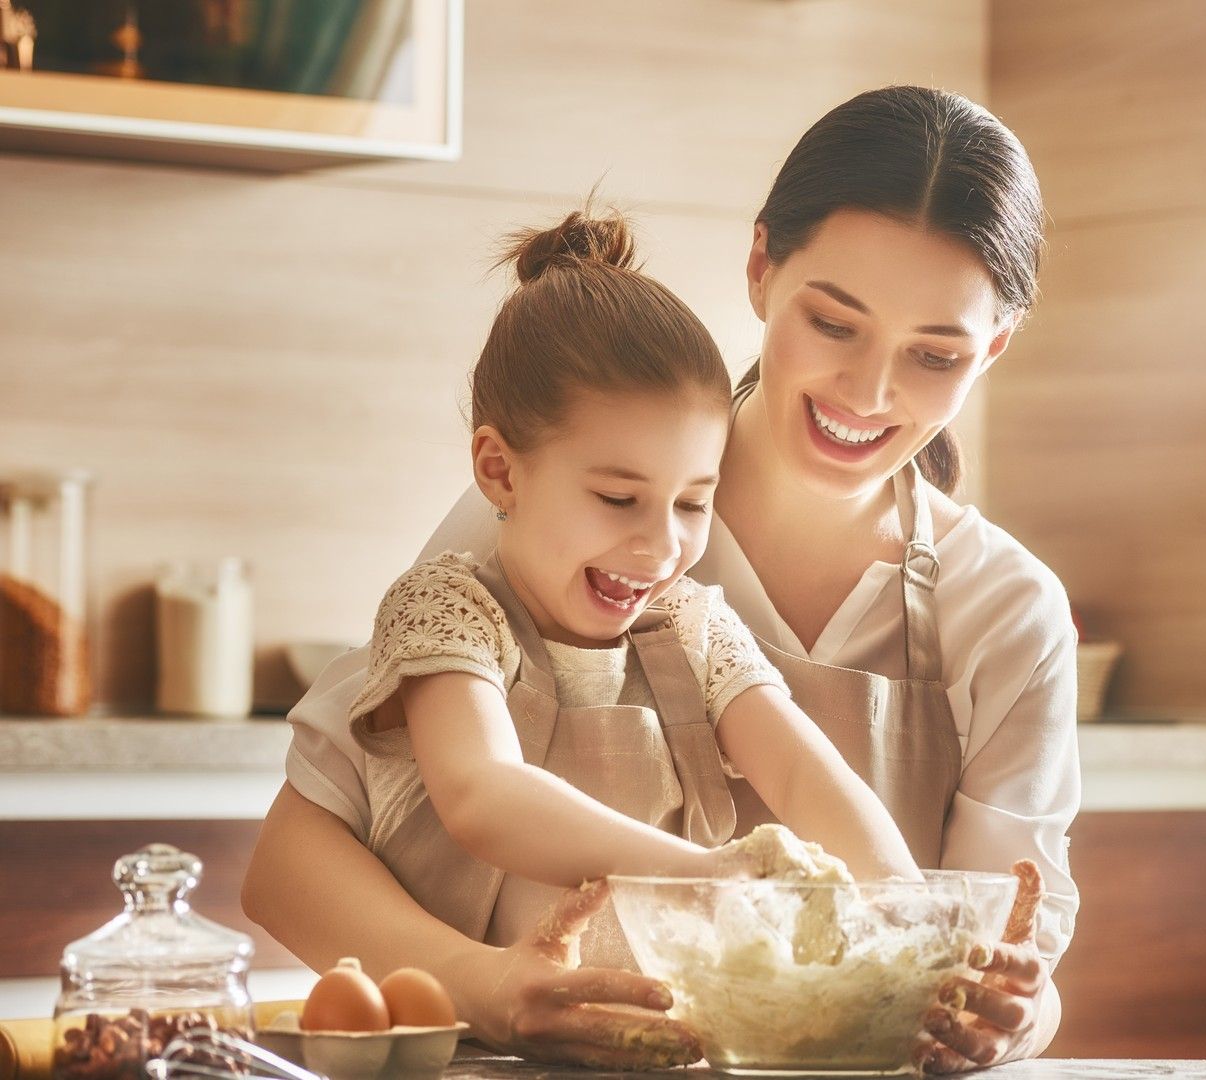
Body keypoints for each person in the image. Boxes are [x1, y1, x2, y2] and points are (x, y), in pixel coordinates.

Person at [244, 86, 1079, 1073]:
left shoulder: (1007, 613)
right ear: (761, 267)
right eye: (833, 323)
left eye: (934, 354)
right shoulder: (557, 509)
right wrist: (486, 987)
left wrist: (1010, 1017)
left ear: (993, 349)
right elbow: (292, 865)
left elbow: (998, 956)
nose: (869, 392)